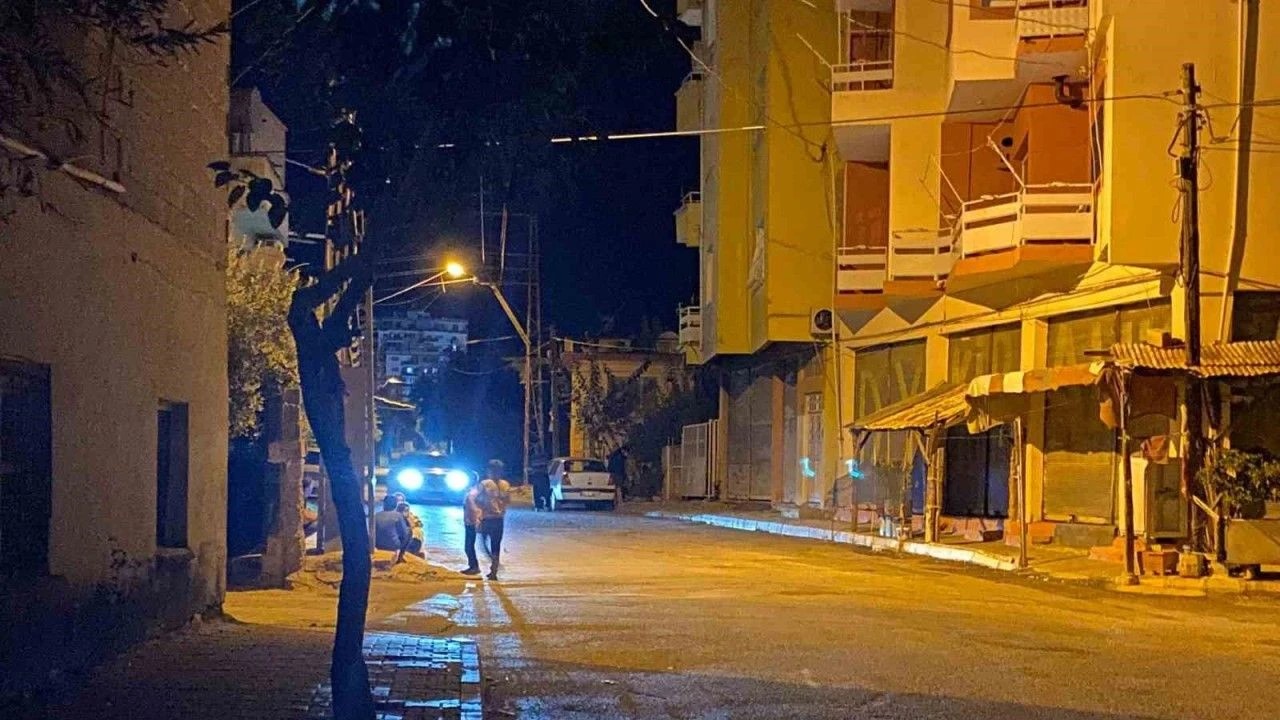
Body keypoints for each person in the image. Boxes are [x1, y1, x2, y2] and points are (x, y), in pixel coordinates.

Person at [477, 460, 512, 580]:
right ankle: (494, 566)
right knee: (494, 544)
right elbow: (508, 501)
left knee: (485, 543)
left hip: (489, 518)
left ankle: (494, 566)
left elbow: (478, 500)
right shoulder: (505, 484)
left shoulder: (485, 484)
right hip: (498, 519)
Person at [373, 494, 410, 562]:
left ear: (384, 504)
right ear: (395, 505)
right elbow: (404, 533)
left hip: (378, 545)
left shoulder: (376, 515)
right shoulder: (398, 515)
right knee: (409, 531)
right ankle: (401, 556)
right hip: (393, 546)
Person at [460, 481, 483, 575]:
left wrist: (475, 521)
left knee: (468, 546)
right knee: (469, 546)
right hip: (470, 522)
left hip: (471, 523)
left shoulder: (471, 495)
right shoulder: (475, 493)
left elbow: (473, 509)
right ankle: (473, 566)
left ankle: (474, 567)